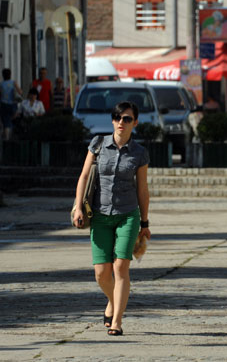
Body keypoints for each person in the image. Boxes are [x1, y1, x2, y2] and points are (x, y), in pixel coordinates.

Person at [71, 101, 151, 336]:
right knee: (101, 272)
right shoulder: (98, 144)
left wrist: (144, 222)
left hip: (127, 215)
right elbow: (84, 176)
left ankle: (116, 321)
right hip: (99, 215)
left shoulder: (139, 153)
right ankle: (114, 300)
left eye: (127, 119)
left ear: (135, 123)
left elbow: (142, 190)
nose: (121, 122)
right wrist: (78, 207)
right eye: (117, 118)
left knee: (120, 267)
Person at [1, 68, 23, 140]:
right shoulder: (13, 82)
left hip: (3, 104)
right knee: (14, 120)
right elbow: (20, 92)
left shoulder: (1, 84)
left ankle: (6, 137)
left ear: (3, 75)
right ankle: (12, 137)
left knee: (5, 122)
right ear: (10, 75)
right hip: (13, 104)